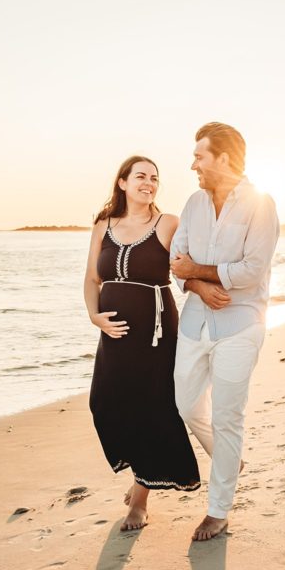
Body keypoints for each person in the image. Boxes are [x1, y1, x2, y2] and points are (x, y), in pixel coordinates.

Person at [170, 122, 280, 541]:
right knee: (185, 405)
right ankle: (229, 460)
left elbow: (252, 271)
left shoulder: (260, 204)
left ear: (223, 158)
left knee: (228, 417)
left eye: (199, 155)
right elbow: (177, 261)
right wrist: (197, 283)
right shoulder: (194, 203)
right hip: (195, 322)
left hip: (240, 326)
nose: (193, 163)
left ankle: (218, 510)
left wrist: (196, 270)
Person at [83, 156, 201, 531]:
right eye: (140, 177)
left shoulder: (166, 224)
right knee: (103, 402)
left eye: (154, 178)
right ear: (122, 183)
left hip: (156, 329)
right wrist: (94, 316)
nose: (148, 183)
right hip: (113, 334)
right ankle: (142, 474)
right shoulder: (104, 224)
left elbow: (186, 268)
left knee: (152, 408)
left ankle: (140, 498)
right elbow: (90, 279)